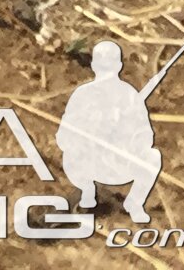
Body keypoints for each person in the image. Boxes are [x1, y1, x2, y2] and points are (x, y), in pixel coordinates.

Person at [57, 41, 162, 223]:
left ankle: (132, 203)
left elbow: (145, 136)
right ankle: (89, 193)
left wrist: (122, 136)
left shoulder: (127, 95)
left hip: (112, 164)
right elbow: (64, 136)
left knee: (152, 156)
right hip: (88, 163)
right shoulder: (85, 94)